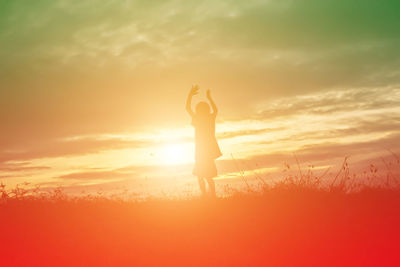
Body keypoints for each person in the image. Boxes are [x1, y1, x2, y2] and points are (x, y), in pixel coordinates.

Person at [186, 85, 222, 197]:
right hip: (205, 150)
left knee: (201, 175)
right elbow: (216, 110)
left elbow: (188, 108)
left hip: (202, 150)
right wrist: (209, 98)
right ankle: (210, 195)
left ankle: (207, 195)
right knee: (205, 175)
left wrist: (190, 95)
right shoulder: (209, 118)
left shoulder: (200, 118)